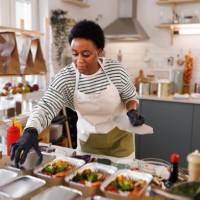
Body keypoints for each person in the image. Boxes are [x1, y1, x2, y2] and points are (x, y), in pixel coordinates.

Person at [10, 19, 145, 165]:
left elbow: (130, 96)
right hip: (88, 147)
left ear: (99, 52)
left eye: (86, 54)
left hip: (121, 147)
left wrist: (132, 111)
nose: (79, 60)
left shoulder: (116, 71)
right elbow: (46, 105)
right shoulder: (67, 77)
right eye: (75, 54)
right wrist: (30, 130)